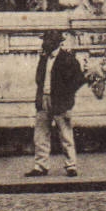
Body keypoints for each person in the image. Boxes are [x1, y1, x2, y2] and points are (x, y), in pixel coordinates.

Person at [26, 29, 85, 177]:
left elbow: (78, 80)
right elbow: (39, 79)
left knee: (65, 134)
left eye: (47, 41)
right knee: (40, 135)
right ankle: (40, 166)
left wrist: (66, 96)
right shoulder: (44, 58)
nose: (44, 44)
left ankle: (71, 166)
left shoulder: (68, 59)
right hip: (44, 99)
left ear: (56, 43)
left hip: (60, 101)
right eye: (44, 41)